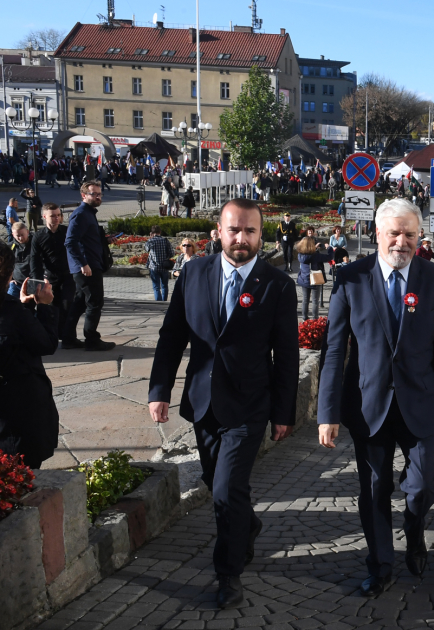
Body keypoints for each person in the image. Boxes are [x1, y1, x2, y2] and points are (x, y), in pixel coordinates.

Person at [148, 198, 299, 610]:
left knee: (226, 489)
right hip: (203, 403)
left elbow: (286, 356)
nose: (241, 238)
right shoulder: (194, 272)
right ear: (218, 230)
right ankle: (246, 524)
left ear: (260, 234)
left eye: (250, 231)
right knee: (222, 489)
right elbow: (171, 335)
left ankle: (228, 574)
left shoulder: (277, 285)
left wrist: (284, 413)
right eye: (234, 229)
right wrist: (159, 389)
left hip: (250, 406)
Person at [317, 198, 434, 598]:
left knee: (422, 487)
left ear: (419, 237)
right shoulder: (350, 277)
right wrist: (326, 412)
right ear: (377, 234)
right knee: (375, 490)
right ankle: (380, 565)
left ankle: (414, 534)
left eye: (410, 234)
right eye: (394, 233)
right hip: (368, 406)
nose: (402, 241)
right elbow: (334, 349)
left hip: (420, 404)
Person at [0, 247, 59, 469]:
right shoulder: (13, 312)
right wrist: (43, 306)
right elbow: (45, 343)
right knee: (22, 482)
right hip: (18, 416)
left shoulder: (15, 312)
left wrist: (26, 306)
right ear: (8, 275)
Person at [65, 181, 114, 351]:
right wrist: (83, 264)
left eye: (99, 194)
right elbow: (70, 242)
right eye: (94, 194)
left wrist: (106, 240)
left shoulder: (88, 213)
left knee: (79, 302)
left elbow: (87, 239)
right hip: (88, 267)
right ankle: (92, 340)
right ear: (84, 195)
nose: (98, 197)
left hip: (91, 264)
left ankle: (68, 339)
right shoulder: (81, 214)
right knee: (95, 302)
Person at [30, 203, 73, 343]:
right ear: (44, 217)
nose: (56, 218)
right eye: (52, 216)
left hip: (68, 275)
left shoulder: (67, 232)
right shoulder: (38, 236)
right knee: (53, 307)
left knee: (67, 305)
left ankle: (65, 336)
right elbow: (35, 260)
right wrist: (38, 283)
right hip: (50, 277)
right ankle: (54, 334)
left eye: (58, 215)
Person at [295, 234, 332, 321]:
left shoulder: (300, 254)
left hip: (304, 279)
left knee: (305, 300)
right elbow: (329, 257)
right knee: (315, 301)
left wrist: (314, 248)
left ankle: (305, 318)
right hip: (315, 279)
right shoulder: (315, 255)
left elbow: (308, 253)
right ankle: (315, 319)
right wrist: (329, 248)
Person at [144, 225, 174, 302]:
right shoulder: (165, 240)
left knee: (156, 287)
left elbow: (146, 249)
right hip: (164, 266)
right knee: (164, 286)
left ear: (152, 233)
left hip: (154, 266)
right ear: (160, 232)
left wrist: (150, 238)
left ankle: (158, 302)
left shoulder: (151, 241)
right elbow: (171, 253)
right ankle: (164, 301)